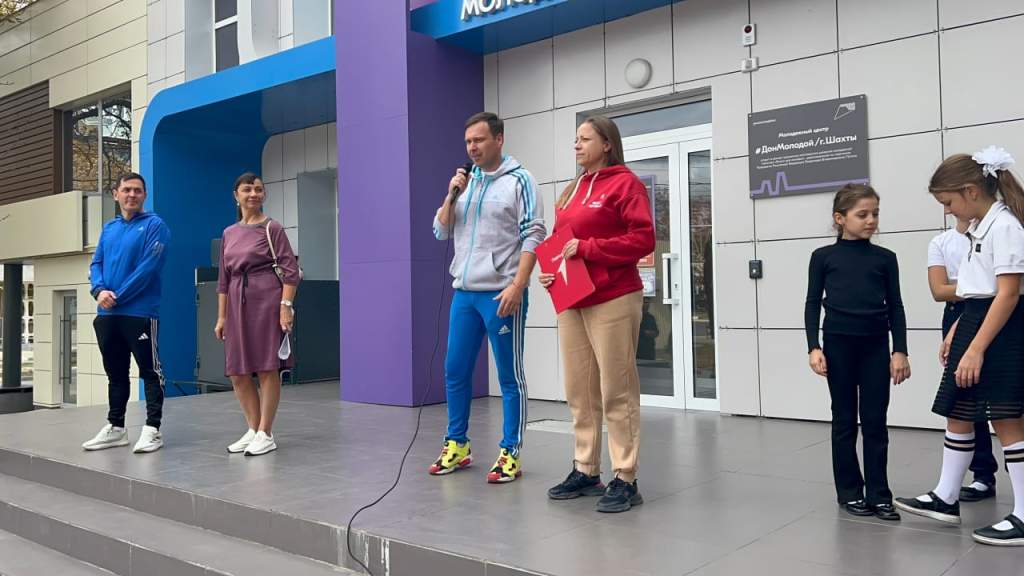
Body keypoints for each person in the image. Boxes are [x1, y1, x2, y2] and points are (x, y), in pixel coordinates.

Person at [896, 147, 1024, 546]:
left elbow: (1008, 294)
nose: (948, 211)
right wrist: (958, 331)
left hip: (1001, 329)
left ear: (971, 191)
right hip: (976, 319)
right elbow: (975, 289)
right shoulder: (979, 227)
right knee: (959, 409)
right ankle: (946, 496)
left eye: (948, 202)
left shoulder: (1005, 227)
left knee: (1006, 418)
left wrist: (976, 348)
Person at [541, 116, 655, 513]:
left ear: (607, 144)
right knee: (580, 390)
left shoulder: (626, 184)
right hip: (574, 298)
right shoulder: (573, 189)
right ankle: (586, 469)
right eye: (575, 139)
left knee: (616, 389)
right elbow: (561, 242)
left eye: (585, 139)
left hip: (614, 297)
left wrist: (589, 249)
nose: (577, 145)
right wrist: (551, 271)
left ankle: (626, 476)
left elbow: (643, 238)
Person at [430, 112, 546, 483]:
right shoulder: (465, 182)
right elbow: (439, 230)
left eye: (479, 140)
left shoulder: (520, 180)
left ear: (499, 139)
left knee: (509, 376)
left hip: (501, 294)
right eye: (468, 142)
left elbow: (534, 234)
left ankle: (511, 451)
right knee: (455, 370)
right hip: (464, 293)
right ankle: (457, 444)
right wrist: (452, 194)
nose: (472, 148)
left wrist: (517, 285)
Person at [804, 184, 910, 521]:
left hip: (875, 347)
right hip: (838, 347)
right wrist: (813, 347)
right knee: (844, 420)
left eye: (875, 213)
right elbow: (812, 303)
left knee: (876, 421)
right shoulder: (823, 257)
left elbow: (896, 305)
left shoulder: (885, 259)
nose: (871, 220)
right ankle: (849, 492)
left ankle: (879, 494)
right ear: (840, 218)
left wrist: (900, 350)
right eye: (862, 214)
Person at [83, 173, 171, 454]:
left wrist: (116, 296)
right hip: (107, 315)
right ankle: (116, 427)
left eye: (137, 190)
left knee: (150, 372)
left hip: (139, 313)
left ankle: (152, 429)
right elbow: (96, 263)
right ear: (116, 194)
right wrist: (99, 291)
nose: (132, 194)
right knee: (116, 374)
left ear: (145, 195)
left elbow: (148, 268)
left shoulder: (155, 225)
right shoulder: (109, 228)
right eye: (126, 190)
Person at [215, 173, 300, 456]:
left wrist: (285, 306)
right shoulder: (229, 233)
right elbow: (223, 279)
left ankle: (266, 432)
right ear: (236, 195)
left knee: (266, 366)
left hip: (266, 301)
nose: (253, 194)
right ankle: (253, 429)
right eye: (247, 189)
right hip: (236, 303)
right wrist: (222, 317)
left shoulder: (272, 228)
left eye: (259, 189)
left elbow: (290, 272)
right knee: (237, 371)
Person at [927, 212, 999, 502]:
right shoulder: (941, 242)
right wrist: (979, 287)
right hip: (959, 315)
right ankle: (982, 474)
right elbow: (938, 290)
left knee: (1007, 400)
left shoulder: (996, 231)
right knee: (965, 394)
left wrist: (973, 288)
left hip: (994, 311)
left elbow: (1003, 287)